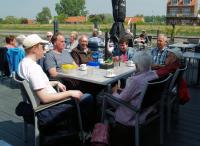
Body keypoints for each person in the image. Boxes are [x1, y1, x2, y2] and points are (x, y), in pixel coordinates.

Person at [111, 51, 158, 126]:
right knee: (117, 91)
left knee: (105, 96)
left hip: (132, 112)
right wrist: (123, 90)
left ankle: (107, 122)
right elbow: (136, 92)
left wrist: (114, 92)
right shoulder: (154, 74)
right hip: (146, 108)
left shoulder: (136, 81)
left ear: (137, 65)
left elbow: (121, 99)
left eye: (135, 63)